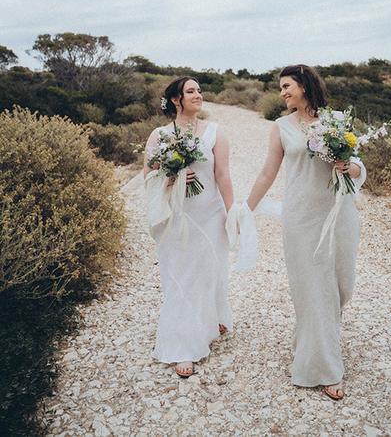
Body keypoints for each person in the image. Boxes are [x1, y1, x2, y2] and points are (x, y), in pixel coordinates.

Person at [246, 64, 366, 400]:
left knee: (342, 286)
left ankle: (311, 339)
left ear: (304, 85)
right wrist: (245, 208)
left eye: (287, 86)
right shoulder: (281, 127)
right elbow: (268, 173)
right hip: (301, 218)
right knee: (314, 289)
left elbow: (357, 165)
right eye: (281, 88)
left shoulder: (336, 121)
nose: (282, 93)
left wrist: (349, 165)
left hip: (339, 214)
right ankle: (325, 367)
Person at [144, 77, 234, 378]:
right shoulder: (159, 135)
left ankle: (211, 320)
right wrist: (172, 179)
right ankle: (183, 343)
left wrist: (233, 212)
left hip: (209, 212)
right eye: (191, 91)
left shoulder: (215, 132)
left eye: (199, 90)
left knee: (209, 269)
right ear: (175, 100)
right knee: (181, 274)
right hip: (177, 215)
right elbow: (148, 177)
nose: (198, 94)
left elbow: (223, 175)